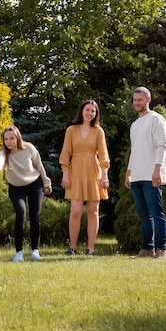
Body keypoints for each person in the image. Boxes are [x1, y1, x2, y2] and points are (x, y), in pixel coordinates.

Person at [0, 126, 53, 262]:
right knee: (21, 214)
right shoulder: (5, 153)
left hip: (35, 185)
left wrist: (47, 183)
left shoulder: (29, 149)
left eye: (12, 138)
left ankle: (35, 251)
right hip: (16, 187)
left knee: (35, 217)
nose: (9, 141)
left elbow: (39, 166)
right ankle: (19, 252)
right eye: (6, 139)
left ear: (17, 138)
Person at [59, 100, 110, 256]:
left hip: (94, 172)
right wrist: (65, 174)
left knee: (93, 211)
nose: (90, 113)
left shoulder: (98, 131)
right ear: (82, 111)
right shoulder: (71, 130)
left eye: (93, 111)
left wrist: (104, 175)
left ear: (96, 114)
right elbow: (66, 153)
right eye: (87, 110)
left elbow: (103, 154)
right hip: (75, 172)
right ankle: (72, 247)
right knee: (75, 211)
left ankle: (90, 248)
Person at [125, 86, 166, 259]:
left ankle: (162, 250)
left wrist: (157, 170)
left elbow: (162, 145)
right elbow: (134, 151)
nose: (137, 103)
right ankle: (147, 249)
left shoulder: (157, 120)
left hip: (152, 175)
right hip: (136, 176)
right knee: (144, 216)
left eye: (140, 100)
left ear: (148, 100)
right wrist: (129, 172)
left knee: (157, 214)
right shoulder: (135, 125)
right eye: (135, 100)